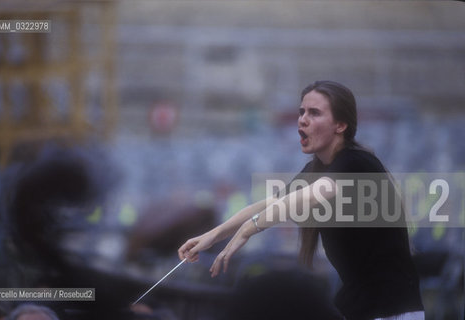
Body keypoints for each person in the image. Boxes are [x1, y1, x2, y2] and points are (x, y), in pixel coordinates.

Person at [178, 81, 425, 320]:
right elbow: (267, 205)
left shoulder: (357, 163)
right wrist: (213, 235)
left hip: (393, 311)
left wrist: (247, 231)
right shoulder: (316, 170)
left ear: (340, 125)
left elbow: (302, 199)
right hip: (358, 306)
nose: (302, 120)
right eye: (301, 112)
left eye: (314, 113)